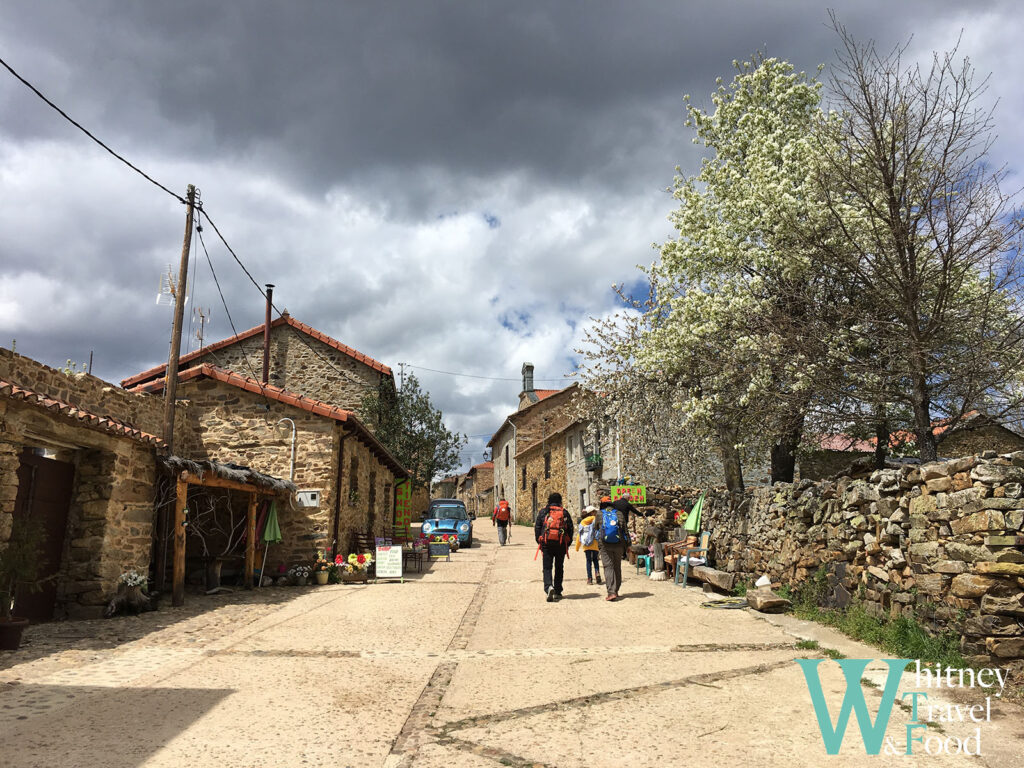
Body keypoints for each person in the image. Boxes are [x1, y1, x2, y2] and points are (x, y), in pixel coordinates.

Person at [534, 492, 573, 602]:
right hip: (560, 544)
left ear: (549, 501)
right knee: (559, 567)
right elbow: (570, 529)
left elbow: (537, 528)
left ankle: (548, 587)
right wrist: (567, 544)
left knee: (547, 567)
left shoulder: (544, 512)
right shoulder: (564, 513)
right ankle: (558, 591)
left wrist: (540, 542)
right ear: (560, 501)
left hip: (546, 543)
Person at [597, 495, 630, 601]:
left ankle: (611, 592)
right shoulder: (619, 514)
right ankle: (616, 590)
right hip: (619, 544)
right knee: (617, 566)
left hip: (605, 544)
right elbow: (625, 530)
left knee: (608, 567)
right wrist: (628, 545)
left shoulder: (599, 514)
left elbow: (596, 529)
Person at [575, 505, 602, 585]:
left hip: (586, 545)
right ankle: (597, 573)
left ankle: (589, 579)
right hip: (595, 544)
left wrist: (577, 547)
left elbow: (579, 535)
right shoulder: (595, 519)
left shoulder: (582, 522)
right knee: (595, 560)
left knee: (588, 561)